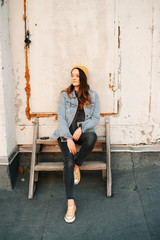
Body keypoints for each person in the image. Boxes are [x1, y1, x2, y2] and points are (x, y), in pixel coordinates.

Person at [53, 65, 100, 223]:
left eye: (77, 76)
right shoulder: (65, 95)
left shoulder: (93, 96)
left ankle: (77, 164)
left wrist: (81, 128)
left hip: (81, 133)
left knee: (92, 137)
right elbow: (61, 119)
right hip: (66, 135)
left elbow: (95, 118)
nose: (74, 78)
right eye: (72, 75)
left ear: (83, 78)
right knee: (68, 161)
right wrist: (68, 138)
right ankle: (71, 203)